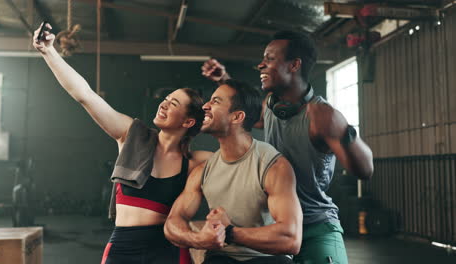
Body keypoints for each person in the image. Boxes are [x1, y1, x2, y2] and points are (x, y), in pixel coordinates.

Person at [33, 23, 212, 264]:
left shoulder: (195, 161)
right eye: (166, 99)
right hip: (123, 246)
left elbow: (242, 157)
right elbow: (85, 95)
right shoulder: (132, 136)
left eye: (174, 103)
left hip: (167, 250)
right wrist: (49, 52)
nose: (164, 104)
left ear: (189, 121)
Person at [201, 31, 374, 264]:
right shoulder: (272, 106)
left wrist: (342, 129)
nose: (261, 64)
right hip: (275, 226)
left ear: (294, 65)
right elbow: (243, 114)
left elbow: (365, 170)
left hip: (314, 226)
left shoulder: (322, 115)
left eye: (270, 59)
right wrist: (223, 80)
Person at [164, 79, 302, 264]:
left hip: (266, 259)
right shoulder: (203, 171)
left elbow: (291, 239)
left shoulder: (274, 166)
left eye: (215, 101)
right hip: (222, 258)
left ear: (237, 117)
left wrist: (229, 233)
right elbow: (172, 223)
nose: (205, 106)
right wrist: (200, 239)